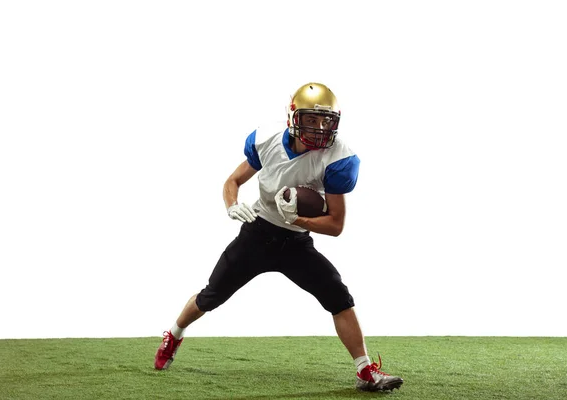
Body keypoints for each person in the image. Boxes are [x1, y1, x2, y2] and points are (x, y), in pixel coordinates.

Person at [154, 82, 404, 392]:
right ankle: (174, 335)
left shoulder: (339, 157)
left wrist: (298, 219)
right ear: (293, 117)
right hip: (257, 234)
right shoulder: (266, 139)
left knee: (339, 297)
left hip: (296, 242)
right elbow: (233, 180)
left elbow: (336, 225)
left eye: (326, 120)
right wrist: (232, 206)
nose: (320, 128)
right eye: (311, 119)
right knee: (211, 296)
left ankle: (365, 372)